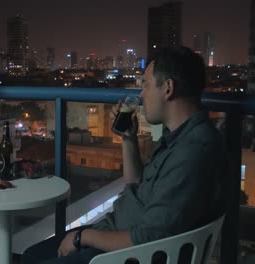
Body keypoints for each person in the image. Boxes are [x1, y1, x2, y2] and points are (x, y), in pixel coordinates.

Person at [22, 46, 227, 264]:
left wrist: (83, 236)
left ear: (168, 88)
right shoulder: (178, 137)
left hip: (128, 256)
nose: (141, 94)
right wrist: (128, 139)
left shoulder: (193, 151)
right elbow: (136, 186)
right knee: (31, 256)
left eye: (146, 85)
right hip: (117, 235)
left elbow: (147, 238)